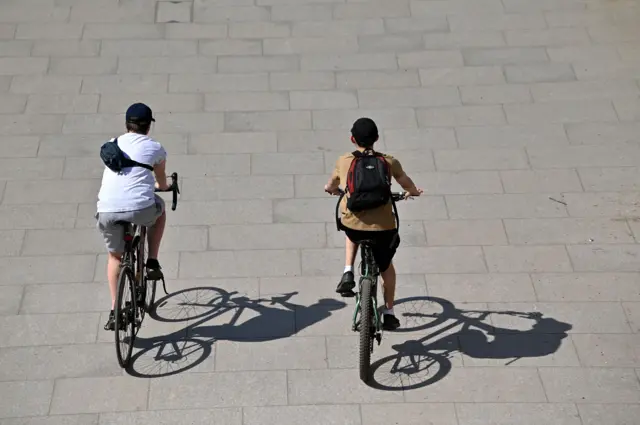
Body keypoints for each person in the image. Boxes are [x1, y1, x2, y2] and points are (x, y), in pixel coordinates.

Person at [324, 117, 423, 330]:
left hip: (353, 223)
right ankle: (388, 312)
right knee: (386, 265)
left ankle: (348, 270)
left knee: (351, 232)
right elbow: (406, 182)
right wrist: (412, 191)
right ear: (377, 138)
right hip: (383, 228)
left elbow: (332, 184)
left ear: (353, 139)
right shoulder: (388, 161)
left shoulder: (344, 160)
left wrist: (331, 189)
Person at [96, 103, 171, 331]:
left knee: (114, 257)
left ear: (126, 124)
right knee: (160, 209)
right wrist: (164, 186)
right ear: (148, 127)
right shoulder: (155, 148)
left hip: (107, 209)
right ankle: (152, 261)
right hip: (139, 208)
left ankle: (114, 310)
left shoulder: (113, 144)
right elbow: (161, 182)